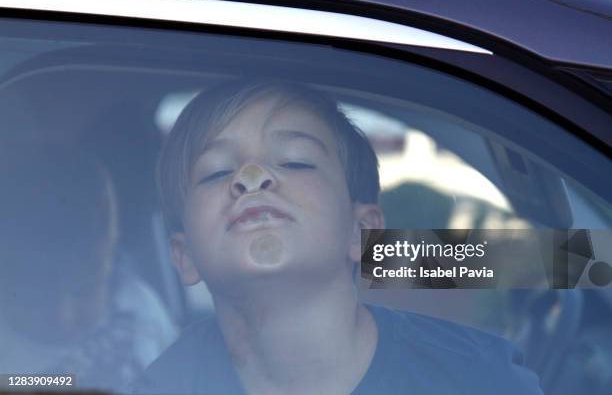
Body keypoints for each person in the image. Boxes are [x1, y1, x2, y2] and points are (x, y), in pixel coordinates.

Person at [134, 79, 543, 394]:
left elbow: (595, 260)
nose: (252, 179)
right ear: (183, 255)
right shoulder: (160, 385)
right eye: (218, 172)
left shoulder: (481, 380)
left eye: (296, 162)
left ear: (360, 231)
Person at [0, 145, 177, 392]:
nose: (63, 316)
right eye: (37, 295)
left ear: (109, 259)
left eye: (84, 289)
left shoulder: (138, 306)